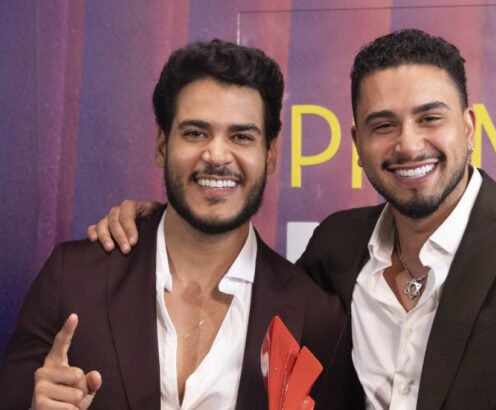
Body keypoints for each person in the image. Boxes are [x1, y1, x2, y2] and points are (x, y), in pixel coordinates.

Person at [87, 29, 496, 409]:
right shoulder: (336, 246)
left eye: (430, 118)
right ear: (358, 143)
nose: (409, 144)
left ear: (469, 127)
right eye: (383, 125)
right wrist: (159, 224)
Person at [0, 40, 363, 410]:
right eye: (195, 133)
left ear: (269, 154)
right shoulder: (73, 277)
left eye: (241, 136)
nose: (217, 155)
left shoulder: (316, 318)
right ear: (162, 145)